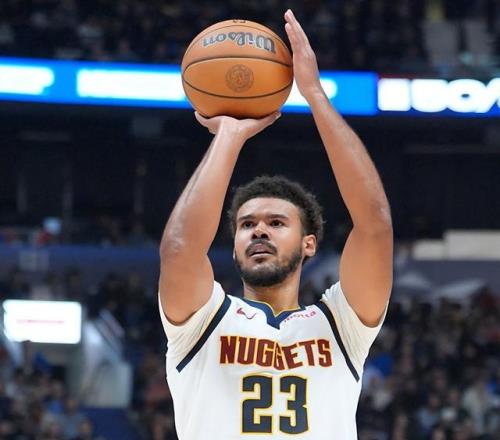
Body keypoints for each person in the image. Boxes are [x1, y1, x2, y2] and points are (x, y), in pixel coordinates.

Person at [158, 9, 393, 440]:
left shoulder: (342, 326)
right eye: (247, 224)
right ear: (233, 246)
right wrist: (229, 135)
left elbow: (374, 225)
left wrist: (314, 94)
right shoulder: (201, 321)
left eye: (276, 222)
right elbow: (179, 249)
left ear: (309, 244)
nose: (259, 230)